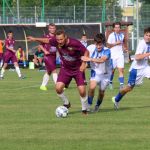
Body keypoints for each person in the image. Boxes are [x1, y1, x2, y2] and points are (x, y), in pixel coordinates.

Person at [27, 30, 89, 114]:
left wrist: (84, 63)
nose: (59, 41)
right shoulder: (56, 41)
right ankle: (66, 103)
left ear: (65, 37)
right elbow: (46, 40)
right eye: (58, 40)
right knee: (58, 88)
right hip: (65, 69)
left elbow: (86, 52)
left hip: (78, 69)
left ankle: (84, 110)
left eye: (61, 39)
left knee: (82, 91)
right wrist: (34, 39)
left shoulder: (75, 43)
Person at [112, 27, 150, 109]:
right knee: (129, 88)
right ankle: (116, 99)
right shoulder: (142, 44)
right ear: (144, 35)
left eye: (149, 36)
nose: (148, 37)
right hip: (136, 70)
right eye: (146, 35)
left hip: (146, 67)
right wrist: (148, 54)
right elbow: (137, 57)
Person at [81, 33, 112, 112]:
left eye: (100, 44)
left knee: (101, 92)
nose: (98, 46)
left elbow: (102, 60)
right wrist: (83, 64)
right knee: (92, 87)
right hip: (95, 71)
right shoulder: (90, 48)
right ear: (94, 43)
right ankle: (88, 105)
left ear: (103, 43)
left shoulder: (107, 51)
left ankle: (97, 105)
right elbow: (85, 55)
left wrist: (90, 59)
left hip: (106, 74)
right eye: (96, 44)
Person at [107, 22, 128, 90]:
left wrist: (124, 49)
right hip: (113, 55)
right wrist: (116, 43)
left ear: (120, 28)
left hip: (120, 55)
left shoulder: (122, 35)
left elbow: (121, 44)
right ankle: (110, 82)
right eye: (116, 27)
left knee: (121, 70)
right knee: (112, 70)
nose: (117, 29)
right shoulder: (111, 35)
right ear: (114, 28)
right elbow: (108, 46)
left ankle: (121, 85)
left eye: (118, 27)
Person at [40, 23, 58, 91]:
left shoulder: (57, 36)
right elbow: (40, 45)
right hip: (47, 56)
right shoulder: (45, 36)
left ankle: (42, 86)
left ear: (55, 29)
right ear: (48, 29)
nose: (52, 29)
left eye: (53, 28)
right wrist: (45, 51)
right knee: (54, 70)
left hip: (54, 56)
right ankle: (58, 85)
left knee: (49, 71)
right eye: (51, 28)